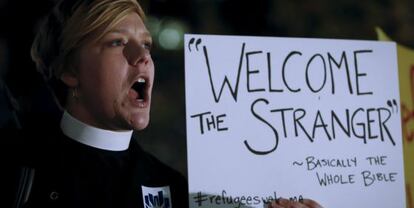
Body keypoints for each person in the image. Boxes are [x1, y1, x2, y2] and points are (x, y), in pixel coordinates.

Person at [3, 0, 323, 207]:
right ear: (70, 70)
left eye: (146, 43)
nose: (142, 56)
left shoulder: (173, 188)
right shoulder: (17, 167)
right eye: (117, 42)